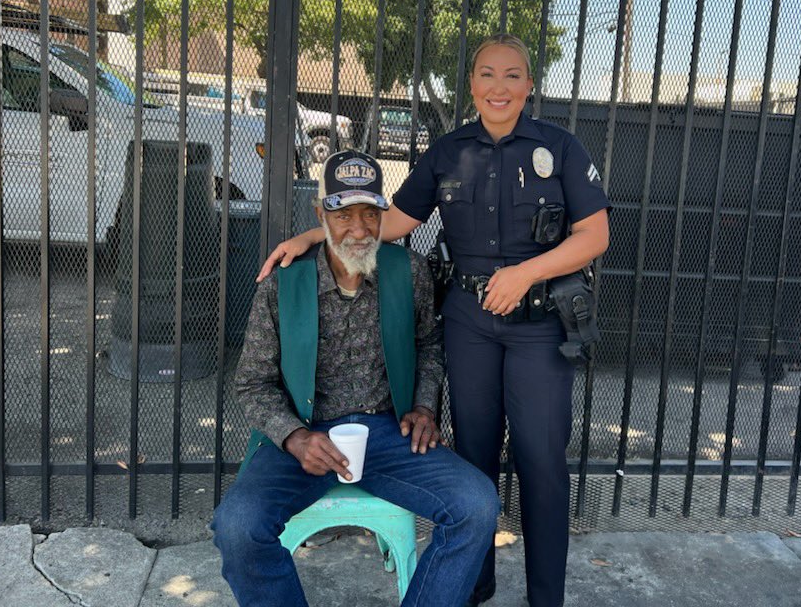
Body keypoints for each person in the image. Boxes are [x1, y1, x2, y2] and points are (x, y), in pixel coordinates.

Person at [258, 34, 610, 607]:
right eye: (488, 75)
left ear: (528, 84)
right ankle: (475, 586)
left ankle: (547, 597)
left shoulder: (560, 147)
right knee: (473, 453)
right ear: (471, 84)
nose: (500, 87)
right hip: (469, 322)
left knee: (541, 460)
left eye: (513, 75)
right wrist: (307, 237)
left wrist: (525, 273)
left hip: (539, 323)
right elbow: (394, 219)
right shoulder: (449, 151)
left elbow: (594, 236)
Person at [213, 149, 500, 607]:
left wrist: (424, 405)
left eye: (370, 213)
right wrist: (293, 437)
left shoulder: (408, 271)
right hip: (304, 438)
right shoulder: (284, 282)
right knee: (237, 527)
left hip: (388, 434)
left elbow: (429, 345)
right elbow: (251, 382)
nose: (360, 228)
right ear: (321, 214)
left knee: (477, 505)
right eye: (344, 213)